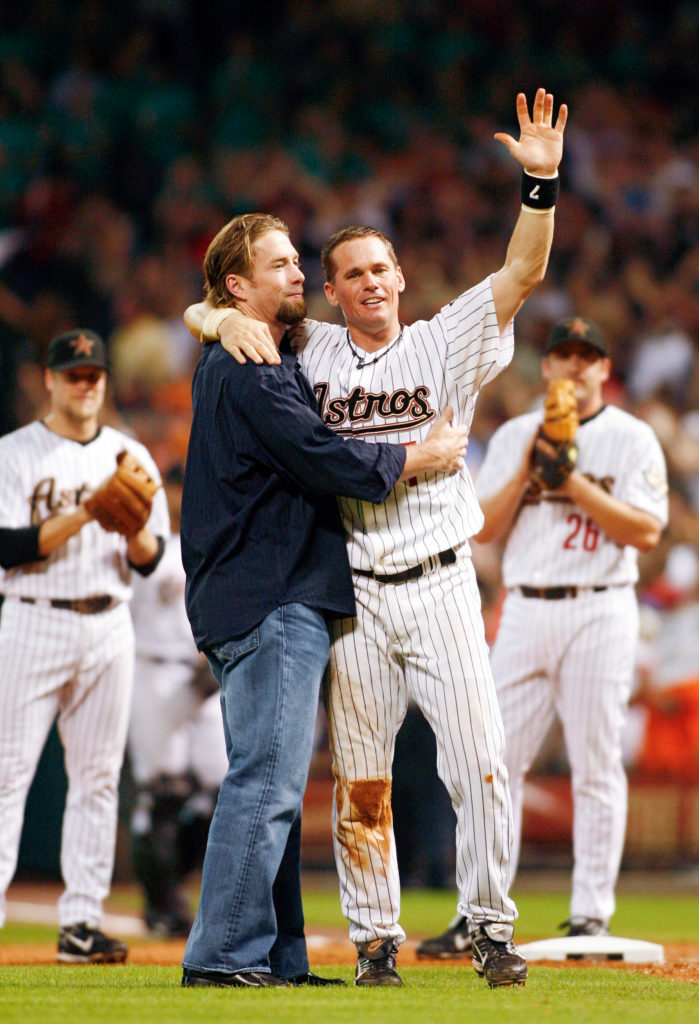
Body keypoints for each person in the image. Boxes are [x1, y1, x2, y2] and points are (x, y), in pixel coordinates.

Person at [187, 88, 567, 988]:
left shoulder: (445, 341)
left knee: (479, 763)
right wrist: (217, 315)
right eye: (350, 272)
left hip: (437, 580)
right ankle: (373, 942)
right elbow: (219, 313)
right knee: (362, 785)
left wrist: (541, 184)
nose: (369, 282)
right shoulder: (304, 348)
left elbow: (520, 274)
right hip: (353, 594)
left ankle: (486, 926)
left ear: (401, 277)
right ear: (330, 290)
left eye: (380, 269)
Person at [179, 212, 469, 989]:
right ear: (238, 285)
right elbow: (317, 455)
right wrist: (418, 455)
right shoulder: (247, 363)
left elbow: (209, 313)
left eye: (295, 261)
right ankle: (222, 958)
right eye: (278, 266)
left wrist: (208, 314)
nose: (297, 273)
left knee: (267, 779)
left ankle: (276, 957)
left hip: (260, 593)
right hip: (269, 594)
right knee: (266, 784)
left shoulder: (248, 346)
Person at [417, 315, 668, 959]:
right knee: (492, 764)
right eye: (565, 355)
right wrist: (533, 475)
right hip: (526, 609)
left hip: (601, 607)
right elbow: (484, 529)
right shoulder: (518, 435)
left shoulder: (633, 438)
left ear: (605, 370)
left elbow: (645, 532)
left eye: (588, 357)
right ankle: (479, 914)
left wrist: (573, 483)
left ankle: (590, 915)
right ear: (548, 366)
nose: (576, 368)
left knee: (596, 762)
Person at [0, 328, 169, 965]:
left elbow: (149, 558)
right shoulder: (12, 453)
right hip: (34, 617)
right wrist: (88, 512)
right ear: (49, 380)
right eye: (73, 374)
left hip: (108, 622)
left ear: (103, 381)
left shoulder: (130, 454)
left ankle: (82, 923)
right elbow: (8, 547)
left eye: (93, 374)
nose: (85, 384)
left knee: (98, 780)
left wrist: (131, 527)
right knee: (5, 773)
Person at [127, 462, 227, 939]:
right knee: (162, 796)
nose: (179, 495)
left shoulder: (211, 537)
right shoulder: (139, 544)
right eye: (173, 486)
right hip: (153, 670)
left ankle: (181, 888)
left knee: (224, 791)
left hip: (205, 674)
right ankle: (160, 904)